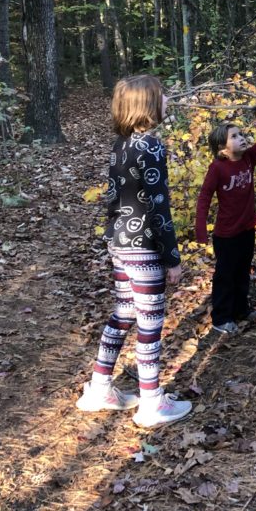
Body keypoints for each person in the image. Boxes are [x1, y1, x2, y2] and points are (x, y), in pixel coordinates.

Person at [76, 74, 192, 429]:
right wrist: (172, 257)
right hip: (142, 247)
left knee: (124, 311)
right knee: (150, 321)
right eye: (162, 95)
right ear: (147, 104)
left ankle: (99, 388)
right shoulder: (151, 147)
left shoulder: (122, 144)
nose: (167, 100)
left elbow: (116, 199)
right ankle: (152, 402)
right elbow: (159, 207)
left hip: (119, 241)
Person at [195, 102, 256, 333]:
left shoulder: (248, 159)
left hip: (246, 228)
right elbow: (204, 197)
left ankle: (242, 309)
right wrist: (201, 230)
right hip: (226, 234)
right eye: (234, 136)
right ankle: (221, 319)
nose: (242, 138)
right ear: (223, 149)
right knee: (226, 275)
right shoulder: (218, 168)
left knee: (243, 270)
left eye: (241, 134)